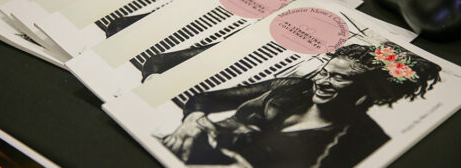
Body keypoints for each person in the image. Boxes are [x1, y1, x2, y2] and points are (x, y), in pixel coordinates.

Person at [161, 42, 441, 168]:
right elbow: (205, 99)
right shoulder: (293, 87)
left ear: (364, 92)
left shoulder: (365, 138)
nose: (323, 82)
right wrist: (191, 121)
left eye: (339, 78)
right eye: (325, 72)